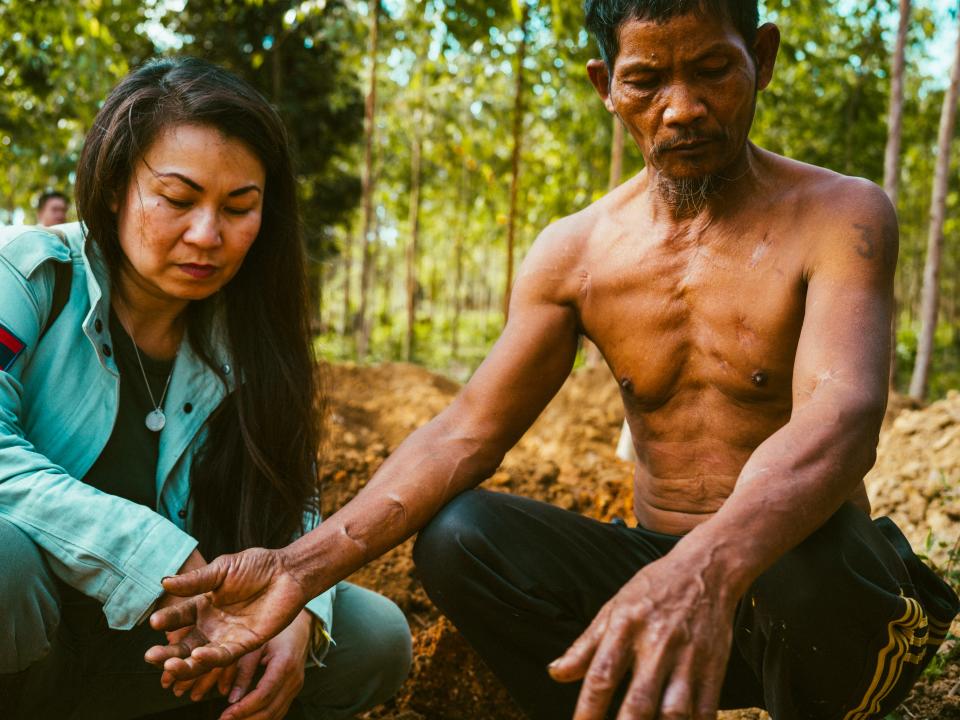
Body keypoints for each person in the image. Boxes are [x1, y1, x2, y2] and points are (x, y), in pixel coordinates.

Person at [149, 3, 959, 719]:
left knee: (797, 558)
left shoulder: (842, 214)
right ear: (606, 83)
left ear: (765, 57)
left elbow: (842, 415)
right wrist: (301, 566)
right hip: (654, 588)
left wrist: (707, 571)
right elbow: (467, 431)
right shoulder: (574, 253)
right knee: (460, 537)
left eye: (714, 69)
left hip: (823, 598)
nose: (682, 108)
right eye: (647, 80)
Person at [0, 57, 411, 720]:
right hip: (29, 651)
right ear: (112, 186)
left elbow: (292, 495)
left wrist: (298, 604)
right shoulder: (26, 279)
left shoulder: (252, 338)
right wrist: (148, 551)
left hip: (170, 654)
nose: (207, 235)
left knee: (371, 635)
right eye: (178, 199)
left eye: (239, 207)